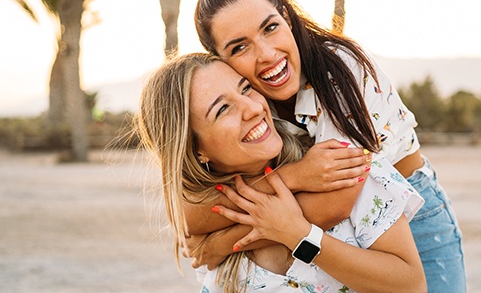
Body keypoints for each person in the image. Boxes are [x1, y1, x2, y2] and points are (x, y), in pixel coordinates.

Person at [191, 0, 466, 292]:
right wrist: (296, 179)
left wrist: (220, 244)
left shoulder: (342, 69)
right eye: (239, 47)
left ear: (287, 18)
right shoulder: (246, 102)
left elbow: (338, 199)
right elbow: (193, 215)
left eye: (270, 28)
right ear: (219, 60)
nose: (266, 54)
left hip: (411, 217)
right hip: (331, 232)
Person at [136, 52, 426, 292]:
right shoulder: (207, 229)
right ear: (196, 150)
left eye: (245, 88)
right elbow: (186, 215)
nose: (252, 108)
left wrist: (300, 235)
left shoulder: (338, 166)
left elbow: (411, 286)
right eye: (223, 109)